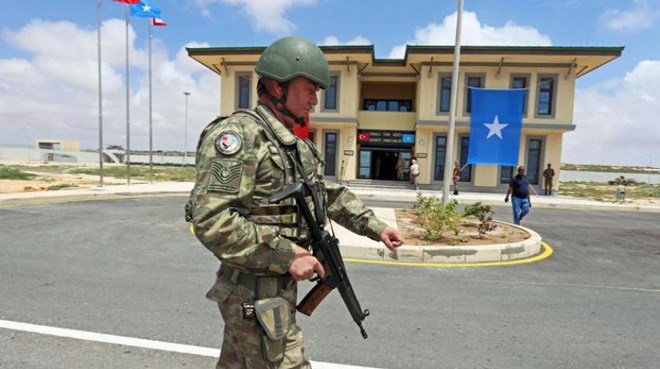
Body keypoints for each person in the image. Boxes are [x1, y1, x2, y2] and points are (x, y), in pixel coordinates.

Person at [185, 36, 404, 369]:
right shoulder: (238, 137)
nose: (314, 100)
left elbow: (326, 194)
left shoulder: (295, 147)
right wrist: (287, 254)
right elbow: (212, 220)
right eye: (309, 89)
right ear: (276, 86)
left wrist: (376, 226)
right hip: (253, 293)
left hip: (274, 291)